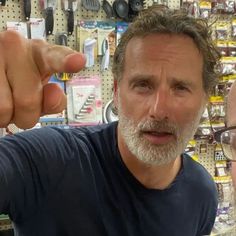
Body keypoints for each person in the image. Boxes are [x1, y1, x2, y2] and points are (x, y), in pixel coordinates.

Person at [0, 7, 220, 236]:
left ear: (205, 99)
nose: (159, 110)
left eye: (180, 88)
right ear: (116, 92)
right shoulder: (50, 161)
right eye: (143, 85)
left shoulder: (202, 193)